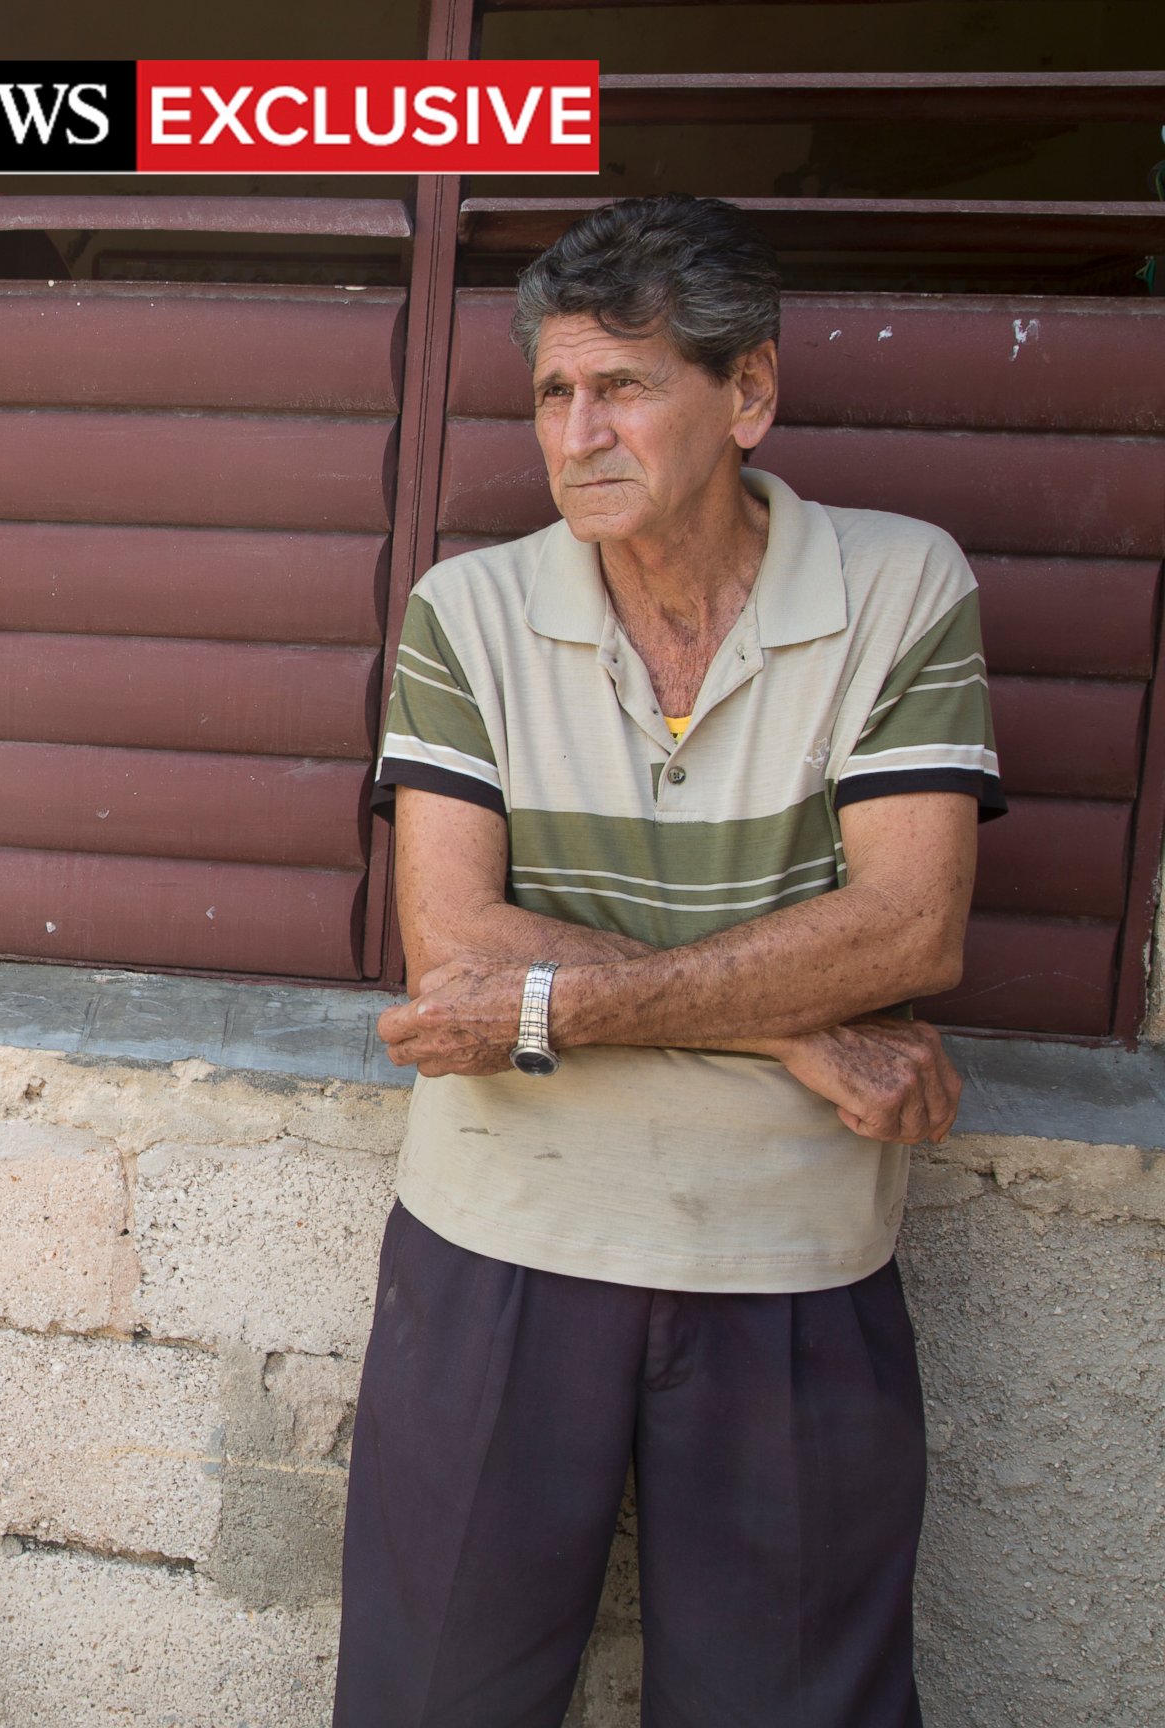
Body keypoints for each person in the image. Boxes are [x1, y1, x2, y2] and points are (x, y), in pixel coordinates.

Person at [339, 194, 1001, 1726]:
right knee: (431, 1697)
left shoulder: (900, 587)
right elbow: (450, 946)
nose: (580, 433)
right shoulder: (472, 611)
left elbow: (913, 927)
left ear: (748, 393)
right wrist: (791, 1028)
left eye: (625, 385)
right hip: (498, 1243)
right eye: (555, 394)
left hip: (791, 1261)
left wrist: (558, 997)